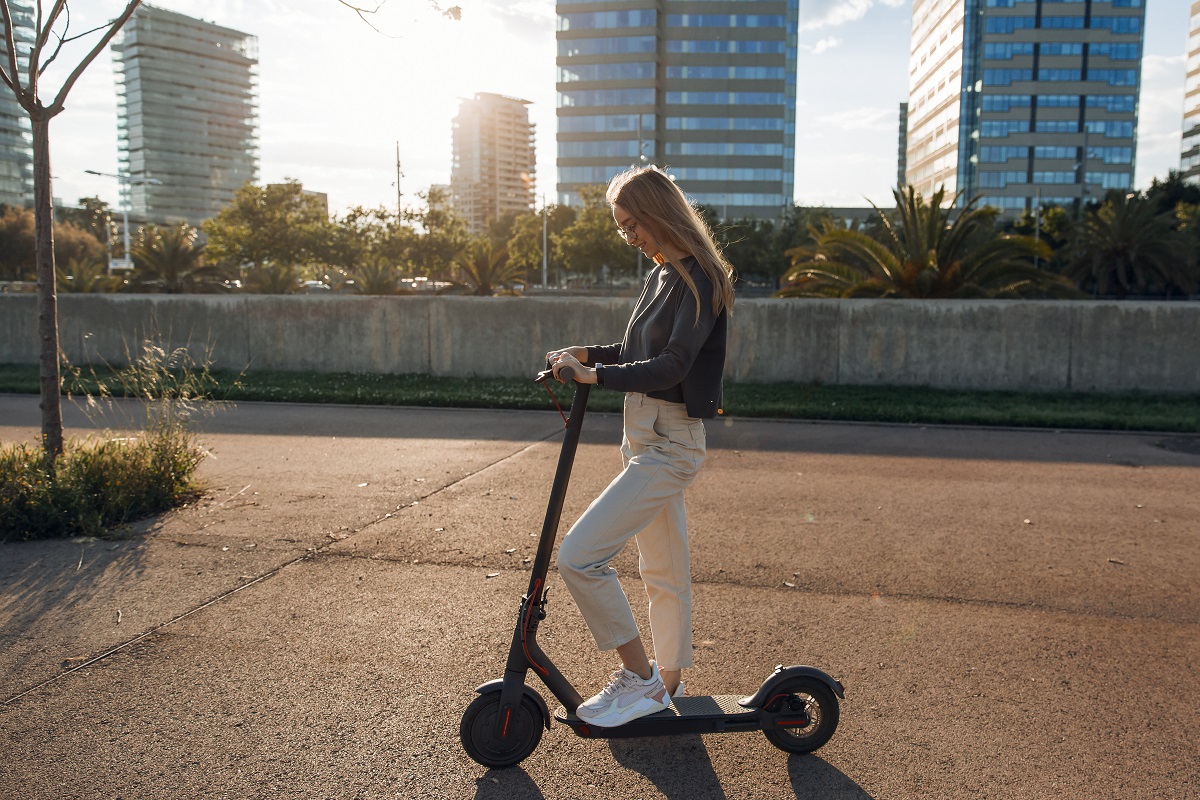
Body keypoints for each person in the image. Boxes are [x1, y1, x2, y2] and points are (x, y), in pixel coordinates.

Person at [546, 164, 735, 728]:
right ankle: (666, 683)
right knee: (663, 570)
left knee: (580, 558)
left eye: (633, 223)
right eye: (620, 226)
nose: (628, 236)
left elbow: (674, 362)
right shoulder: (662, 274)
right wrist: (589, 353)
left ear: (659, 212)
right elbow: (636, 346)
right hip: (643, 435)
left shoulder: (700, 276)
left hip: (671, 440)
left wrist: (594, 379)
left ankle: (639, 680)